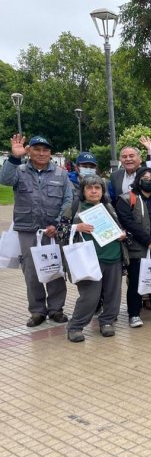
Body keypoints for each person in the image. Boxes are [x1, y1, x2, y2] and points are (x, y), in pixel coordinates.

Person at [0, 135, 72, 327]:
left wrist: (57, 224)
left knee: (54, 269)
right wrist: (14, 158)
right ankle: (37, 311)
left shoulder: (61, 174)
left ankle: (56, 309)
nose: (41, 153)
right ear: (29, 151)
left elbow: (68, 201)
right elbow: (5, 180)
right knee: (31, 272)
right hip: (27, 230)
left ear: (50, 153)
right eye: (37, 149)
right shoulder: (19, 171)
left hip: (52, 231)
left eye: (45, 150)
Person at [58, 175, 127, 342]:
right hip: (88, 261)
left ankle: (107, 322)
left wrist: (123, 235)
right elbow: (60, 230)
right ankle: (75, 326)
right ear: (83, 191)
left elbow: (122, 228)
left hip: (113, 257)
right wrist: (77, 227)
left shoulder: (109, 206)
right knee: (90, 297)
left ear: (103, 191)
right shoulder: (74, 207)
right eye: (90, 188)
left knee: (113, 294)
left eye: (98, 188)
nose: (94, 191)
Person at [115, 167, 151, 327]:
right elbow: (128, 222)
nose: (148, 180)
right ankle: (134, 314)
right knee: (135, 282)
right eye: (145, 177)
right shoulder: (127, 199)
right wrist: (147, 240)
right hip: (138, 248)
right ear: (138, 179)